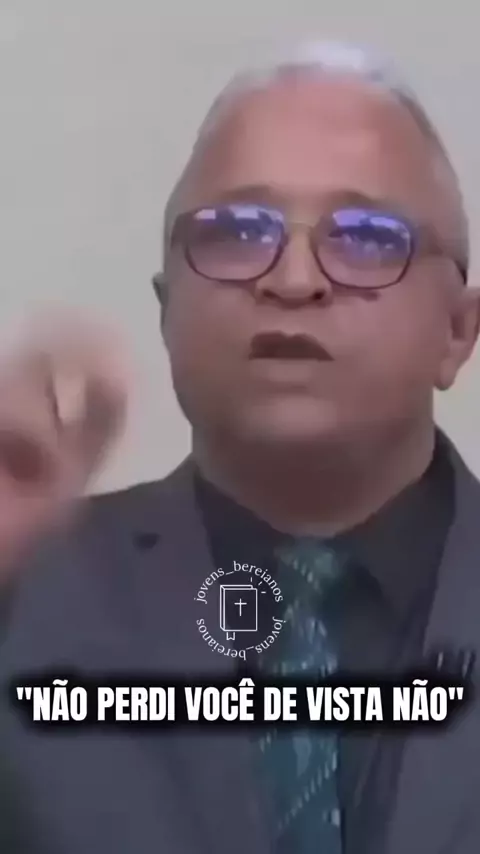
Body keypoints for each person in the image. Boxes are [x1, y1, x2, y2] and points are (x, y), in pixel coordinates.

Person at [0, 39, 479, 854]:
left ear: (458, 331)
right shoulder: (26, 588)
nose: (293, 280)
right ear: (167, 310)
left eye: (366, 236)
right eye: (235, 232)